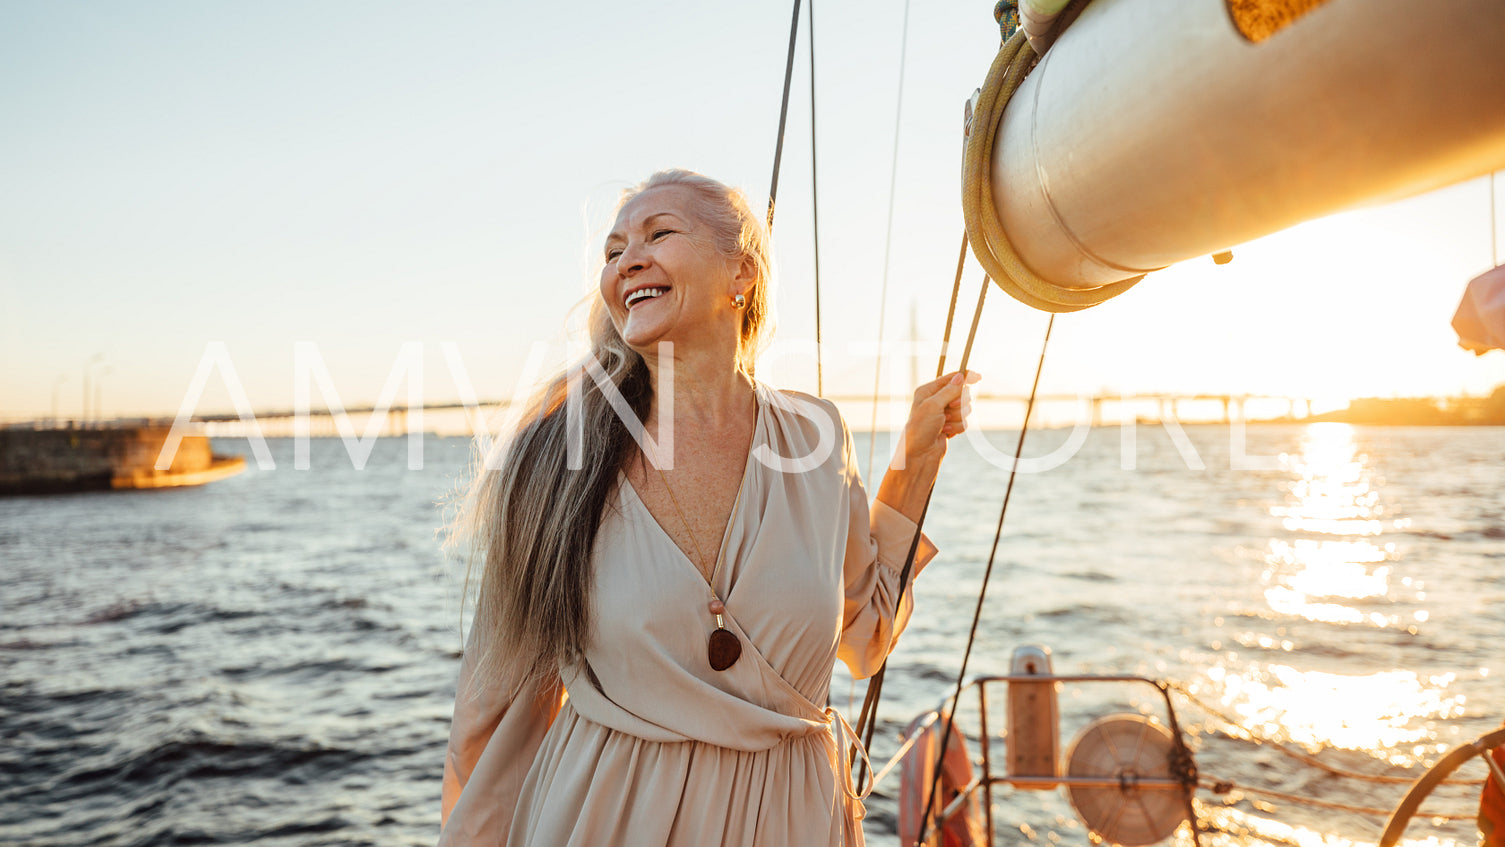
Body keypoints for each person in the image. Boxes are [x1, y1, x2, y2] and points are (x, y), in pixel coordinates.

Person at [440, 168, 979, 846]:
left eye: (658, 233)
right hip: (606, 821)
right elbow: (489, 713)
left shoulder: (814, 435)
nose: (627, 260)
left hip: (789, 822)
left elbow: (865, 634)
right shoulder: (557, 458)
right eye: (612, 251)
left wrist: (916, 458)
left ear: (741, 274)